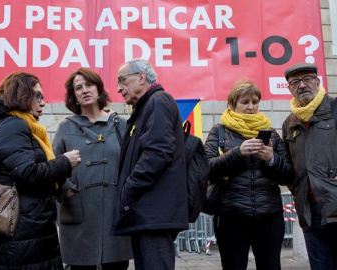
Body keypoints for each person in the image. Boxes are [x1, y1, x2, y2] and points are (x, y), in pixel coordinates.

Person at [0, 71, 81, 269]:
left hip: (26, 228)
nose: (43, 102)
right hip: (21, 231)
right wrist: (64, 162)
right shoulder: (13, 125)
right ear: (21, 94)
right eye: (37, 95)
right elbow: (27, 172)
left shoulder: (16, 125)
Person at [204, 79, 294, 270]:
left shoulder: (271, 133)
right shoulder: (219, 131)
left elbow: (288, 176)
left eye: (254, 102)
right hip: (231, 215)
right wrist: (237, 153)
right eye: (244, 102)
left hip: (269, 215)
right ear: (232, 104)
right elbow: (206, 169)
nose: (251, 107)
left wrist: (271, 159)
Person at [111, 59, 188, 270]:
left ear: (141, 77)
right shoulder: (146, 106)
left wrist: (128, 190)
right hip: (148, 213)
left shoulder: (158, 101)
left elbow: (157, 153)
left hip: (154, 214)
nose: (118, 88)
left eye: (122, 81)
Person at [53, 68, 133, 269]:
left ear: (99, 90)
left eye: (89, 85)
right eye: (78, 88)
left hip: (114, 212)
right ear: (74, 96)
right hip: (78, 212)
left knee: (116, 265)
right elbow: (53, 167)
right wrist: (67, 190)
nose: (84, 90)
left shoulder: (120, 125)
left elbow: (132, 165)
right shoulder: (65, 127)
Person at [282, 62, 337, 269]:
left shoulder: (334, 108)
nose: (302, 85)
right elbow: (289, 166)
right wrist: (298, 190)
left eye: (307, 79)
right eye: (295, 82)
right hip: (310, 211)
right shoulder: (290, 123)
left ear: (318, 81)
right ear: (289, 88)